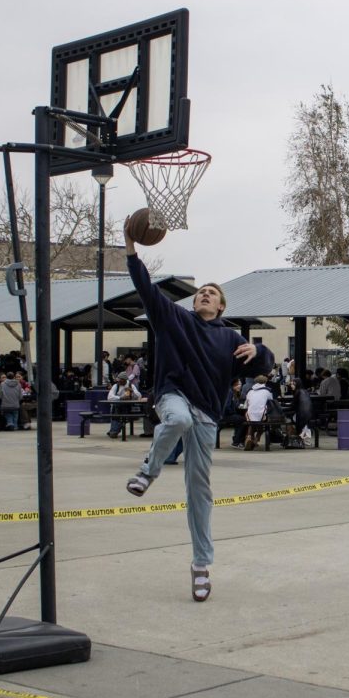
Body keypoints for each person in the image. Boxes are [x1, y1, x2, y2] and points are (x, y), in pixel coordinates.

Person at [121, 219, 273, 602]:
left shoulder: (230, 338)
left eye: (211, 293)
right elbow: (145, 287)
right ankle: (147, 471)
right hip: (174, 396)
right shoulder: (174, 320)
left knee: (199, 490)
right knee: (176, 418)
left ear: (221, 305)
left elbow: (263, 366)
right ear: (194, 301)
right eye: (201, 292)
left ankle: (201, 565)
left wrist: (261, 351)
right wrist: (130, 247)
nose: (204, 295)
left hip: (207, 415)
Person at [106, 372, 142, 439]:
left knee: (119, 411)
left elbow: (139, 396)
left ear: (124, 380)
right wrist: (120, 398)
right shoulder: (116, 386)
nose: (118, 381)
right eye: (118, 380)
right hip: (118, 406)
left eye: (120, 380)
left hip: (129, 407)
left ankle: (114, 430)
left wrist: (132, 392)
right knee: (117, 408)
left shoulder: (131, 385)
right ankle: (114, 430)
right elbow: (109, 397)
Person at [243, 374, 273, 451]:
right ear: (265, 382)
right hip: (261, 415)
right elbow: (271, 402)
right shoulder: (267, 391)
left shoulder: (250, 391)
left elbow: (245, 405)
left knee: (251, 423)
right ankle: (256, 439)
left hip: (249, 414)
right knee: (262, 425)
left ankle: (249, 437)